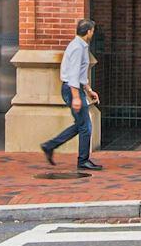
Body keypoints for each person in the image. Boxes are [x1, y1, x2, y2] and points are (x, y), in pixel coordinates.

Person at [41, 18, 102, 172]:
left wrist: (88, 90)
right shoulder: (77, 48)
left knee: (81, 125)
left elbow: (80, 74)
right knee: (85, 126)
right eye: (92, 31)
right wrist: (76, 96)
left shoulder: (79, 46)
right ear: (88, 32)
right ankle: (83, 160)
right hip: (71, 89)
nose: (93, 33)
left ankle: (50, 146)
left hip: (74, 88)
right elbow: (74, 74)